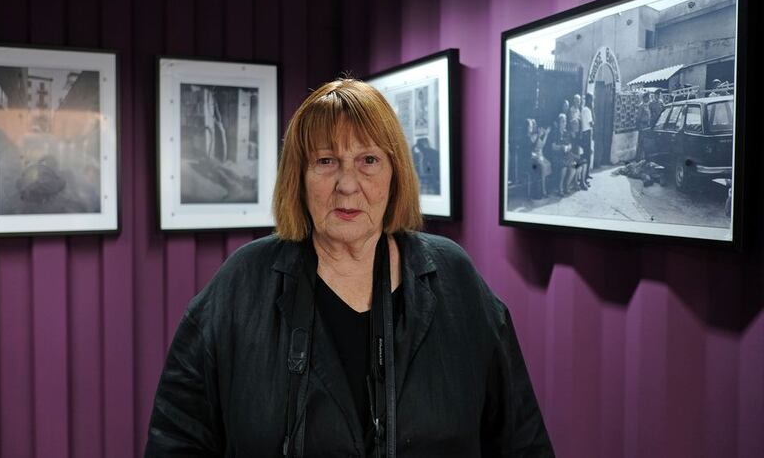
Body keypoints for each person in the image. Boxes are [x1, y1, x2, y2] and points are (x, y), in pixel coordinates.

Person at [145, 79, 553, 457]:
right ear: (299, 178)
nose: (347, 184)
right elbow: (176, 439)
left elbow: (521, 441)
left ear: (395, 174)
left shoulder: (452, 278)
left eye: (369, 160)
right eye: (326, 161)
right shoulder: (241, 285)